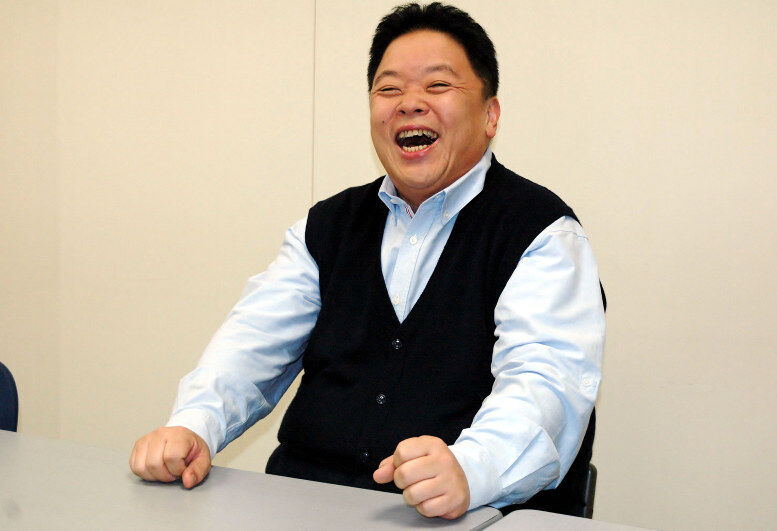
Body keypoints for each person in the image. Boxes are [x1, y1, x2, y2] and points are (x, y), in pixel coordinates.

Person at [130, 2, 605, 520]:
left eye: (438, 85)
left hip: (468, 516)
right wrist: (194, 425)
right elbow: (251, 347)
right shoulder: (327, 227)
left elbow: (547, 384)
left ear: (490, 115)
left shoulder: (541, 233)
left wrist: (472, 468)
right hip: (306, 507)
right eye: (389, 89)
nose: (410, 104)